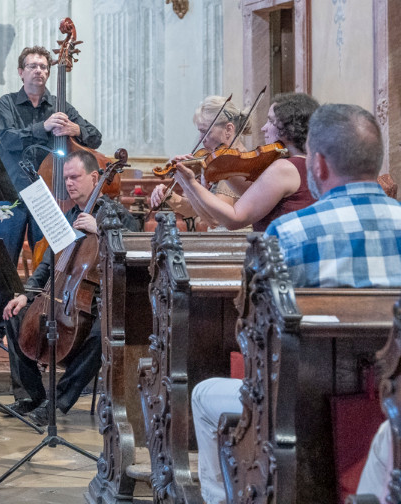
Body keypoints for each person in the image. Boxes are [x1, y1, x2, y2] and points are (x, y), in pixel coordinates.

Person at [191, 103, 401, 503]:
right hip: (394, 397)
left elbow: (254, 331)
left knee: (203, 396)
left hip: (297, 399)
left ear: (317, 165)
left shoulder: (290, 232)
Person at [0, 150, 141, 426]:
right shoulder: (68, 217)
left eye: (75, 177)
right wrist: (25, 295)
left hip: (100, 302)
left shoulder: (116, 214)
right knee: (15, 315)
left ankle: (57, 403)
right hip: (65, 295)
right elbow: (48, 263)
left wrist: (101, 229)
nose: (69, 183)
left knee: (101, 334)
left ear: (95, 178)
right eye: (66, 178)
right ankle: (32, 396)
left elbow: (135, 247)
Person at [0, 45, 103, 347]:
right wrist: (44, 127)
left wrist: (76, 128)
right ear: (21, 71)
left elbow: (95, 136)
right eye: (32, 66)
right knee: (4, 261)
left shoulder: (60, 106)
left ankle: (37, 321)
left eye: (43, 66)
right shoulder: (7, 103)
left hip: (48, 198)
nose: (38, 71)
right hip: (11, 195)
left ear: (49, 72)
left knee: (48, 260)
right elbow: (8, 139)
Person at [169, 92, 318, 232]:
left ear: (289, 128)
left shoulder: (283, 168)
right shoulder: (309, 164)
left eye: (271, 121)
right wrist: (222, 170)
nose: (264, 128)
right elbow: (251, 195)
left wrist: (191, 182)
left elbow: (234, 219)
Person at [148, 96, 252, 228]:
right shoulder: (215, 161)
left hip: (235, 239)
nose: (201, 139)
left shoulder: (234, 164)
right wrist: (168, 195)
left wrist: (186, 182)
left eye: (205, 131)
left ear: (228, 129)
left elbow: (215, 220)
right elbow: (192, 209)